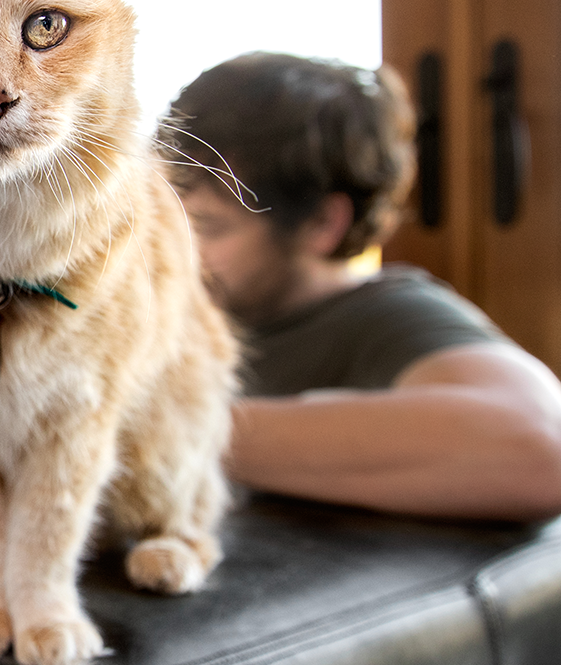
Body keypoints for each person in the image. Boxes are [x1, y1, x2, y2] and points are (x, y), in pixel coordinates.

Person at [168, 52, 561, 522]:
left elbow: (538, 447)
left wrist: (174, 432)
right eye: (164, 219)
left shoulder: (387, 316)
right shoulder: (181, 308)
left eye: (209, 227)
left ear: (322, 223)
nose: (171, 251)